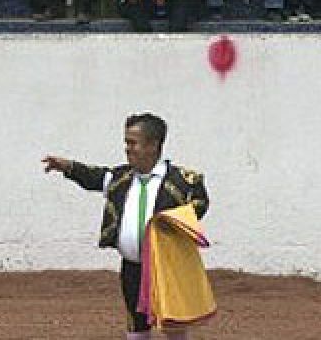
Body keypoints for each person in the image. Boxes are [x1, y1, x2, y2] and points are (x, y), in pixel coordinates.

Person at [41, 113, 209, 340]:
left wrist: (172, 220)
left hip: (166, 266)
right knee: (136, 321)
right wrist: (68, 167)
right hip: (132, 266)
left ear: (152, 145)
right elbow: (93, 177)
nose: (127, 148)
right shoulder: (121, 178)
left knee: (173, 324)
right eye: (126, 142)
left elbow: (200, 204)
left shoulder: (183, 180)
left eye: (132, 143)